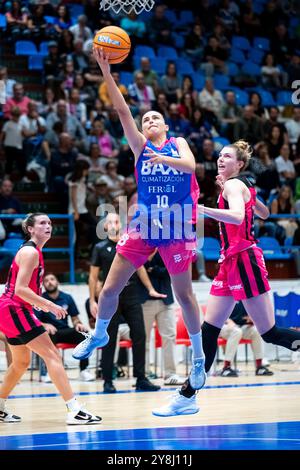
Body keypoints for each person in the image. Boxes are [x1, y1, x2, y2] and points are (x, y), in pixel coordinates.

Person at [73, 48, 206, 396]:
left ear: (165, 125)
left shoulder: (178, 143)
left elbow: (191, 167)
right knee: (109, 287)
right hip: (145, 224)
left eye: (154, 118)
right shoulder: (139, 148)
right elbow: (120, 109)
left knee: (185, 295)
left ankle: (198, 357)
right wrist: (105, 69)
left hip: (176, 224)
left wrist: (165, 156)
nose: (147, 121)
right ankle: (100, 331)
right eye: (144, 119)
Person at [154, 140, 300, 416]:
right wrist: (244, 197)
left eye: (227, 157)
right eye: (219, 156)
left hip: (244, 261)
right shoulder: (238, 185)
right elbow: (265, 213)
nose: (220, 159)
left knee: (269, 333)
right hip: (229, 262)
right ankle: (188, 395)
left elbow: (235, 216)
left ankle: (187, 395)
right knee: (210, 330)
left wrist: (202, 210)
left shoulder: (234, 185)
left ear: (240, 164)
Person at [0, 213, 101, 424]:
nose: (48, 226)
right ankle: (74, 410)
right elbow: (20, 289)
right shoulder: (30, 252)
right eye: (42, 223)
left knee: (21, 363)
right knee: (53, 355)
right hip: (14, 309)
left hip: (11, 309)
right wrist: (49, 304)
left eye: (50, 223)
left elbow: (24, 288)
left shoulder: (33, 250)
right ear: (30, 229)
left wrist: (36, 303)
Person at [87, 212, 162, 393]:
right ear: (105, 227)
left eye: (116, 221)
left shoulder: (129, 243)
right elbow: (93, 276)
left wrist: (150, 289)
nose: (113, 224)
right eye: (110, 222)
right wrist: (92, 300)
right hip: (112, 298)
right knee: (109, 338)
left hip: (131, 295)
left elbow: (140, 267)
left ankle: (141, 378)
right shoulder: (100, 247)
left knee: (140, 335)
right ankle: (107, 380)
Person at [35, 273, 94, 383]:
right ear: (43, 285)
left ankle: (84, 370)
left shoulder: (67, 297)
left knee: (85, 335)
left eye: (52, 279)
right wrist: (45, 325)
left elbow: (75, 318)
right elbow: (35, 320)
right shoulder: (41, 299)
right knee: (46, 335)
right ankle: (48, 372)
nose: (49, 282)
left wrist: (78, 324)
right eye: (46, 280)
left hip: (64, 330)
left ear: (57, 282)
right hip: (50, 332)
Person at [138, 249, 186, 385]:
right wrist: (155, 268)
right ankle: (144, 375)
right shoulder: (141, 248)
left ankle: (170, 374)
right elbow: (139, 267)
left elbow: (170, 271)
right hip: (144, 300)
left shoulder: (167, 250)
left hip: (166, 300)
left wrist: (153, 270)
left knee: (170, 337)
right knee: (144, 339)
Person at [219, 301, 273, 377]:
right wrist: (228, 320)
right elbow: (217, 313)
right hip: (224, 326)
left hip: (241, 327)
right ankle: (226, 368)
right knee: (237, 332)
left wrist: (252, 319)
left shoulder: (247, 298)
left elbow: (253, 315)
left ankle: (259, 366)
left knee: (256, 331)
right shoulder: (225, 295)